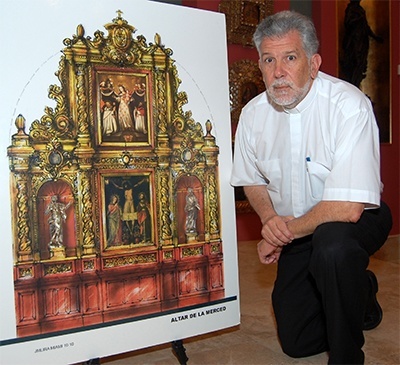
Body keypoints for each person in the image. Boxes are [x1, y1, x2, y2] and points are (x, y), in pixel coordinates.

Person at [231, 10, 392, 364]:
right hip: (299, 229)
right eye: (269, 60)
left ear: (314, 63)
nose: (278, 72)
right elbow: (251, 179)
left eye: (290, 58)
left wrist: (279, 232)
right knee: (297, 342)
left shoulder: (349, 105)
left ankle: (347, 355)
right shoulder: (253, 115)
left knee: (333, 247)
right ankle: (360, 291)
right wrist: (270, 218)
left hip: (357, 219)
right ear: (259, 65)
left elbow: (346, 208)